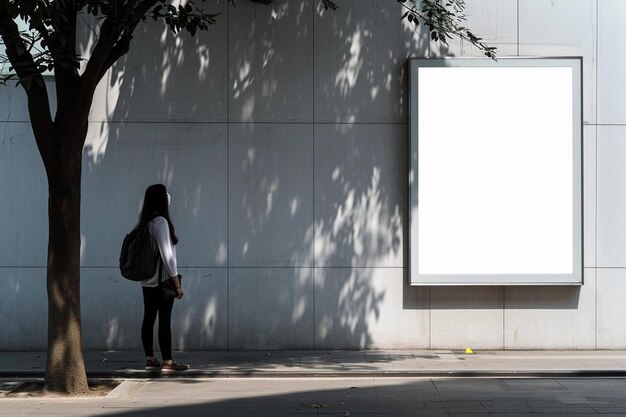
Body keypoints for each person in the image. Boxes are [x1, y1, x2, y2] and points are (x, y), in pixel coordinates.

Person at [139, 184, 189, 371]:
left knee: (149, 318)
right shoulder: (160, 222)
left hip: (147, 280)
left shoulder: (145, 222)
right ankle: (167, 361)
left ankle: (150, 359)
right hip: (162, 280)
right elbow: (168, 257)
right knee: (164, 319)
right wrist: (177, 285)